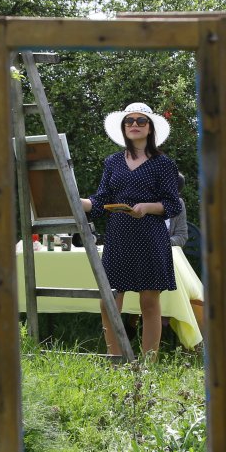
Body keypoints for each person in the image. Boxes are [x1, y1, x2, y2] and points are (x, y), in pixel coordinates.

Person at [81, 102, 182, 359]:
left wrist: (147, 207)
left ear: (150, 128)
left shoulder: (163, 164)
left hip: (150, 236)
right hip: (118, 237)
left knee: (149, 302)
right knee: (109, 301)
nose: (134, 125)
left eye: (140, 121)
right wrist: (81, 203)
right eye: (129, 121)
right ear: (123, 127)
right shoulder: (113, 162)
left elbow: (172, 205)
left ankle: (149, 363)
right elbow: (102, 200)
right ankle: (116, 360)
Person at [167, 172, 189, 248]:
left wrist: (166, 243)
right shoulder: (145, 201)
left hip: (167, 253)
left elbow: (182, 235)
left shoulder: (179, 203)